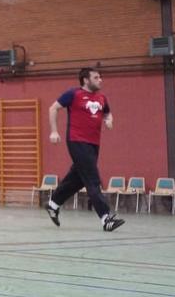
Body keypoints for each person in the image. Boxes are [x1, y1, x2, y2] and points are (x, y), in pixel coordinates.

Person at [43, 68, 125, 232]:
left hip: (94, 143)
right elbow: (53, 108)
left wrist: (109, 120)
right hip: (77, 140)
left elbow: (108, 113)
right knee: (92, 179)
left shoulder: (102, 98)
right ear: (86, 80)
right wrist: (54, 131)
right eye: (96, 77)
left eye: (100, 77)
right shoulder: (73, 94)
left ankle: (53, 204)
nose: (100, 80)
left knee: (79, 177)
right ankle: (105, 218)